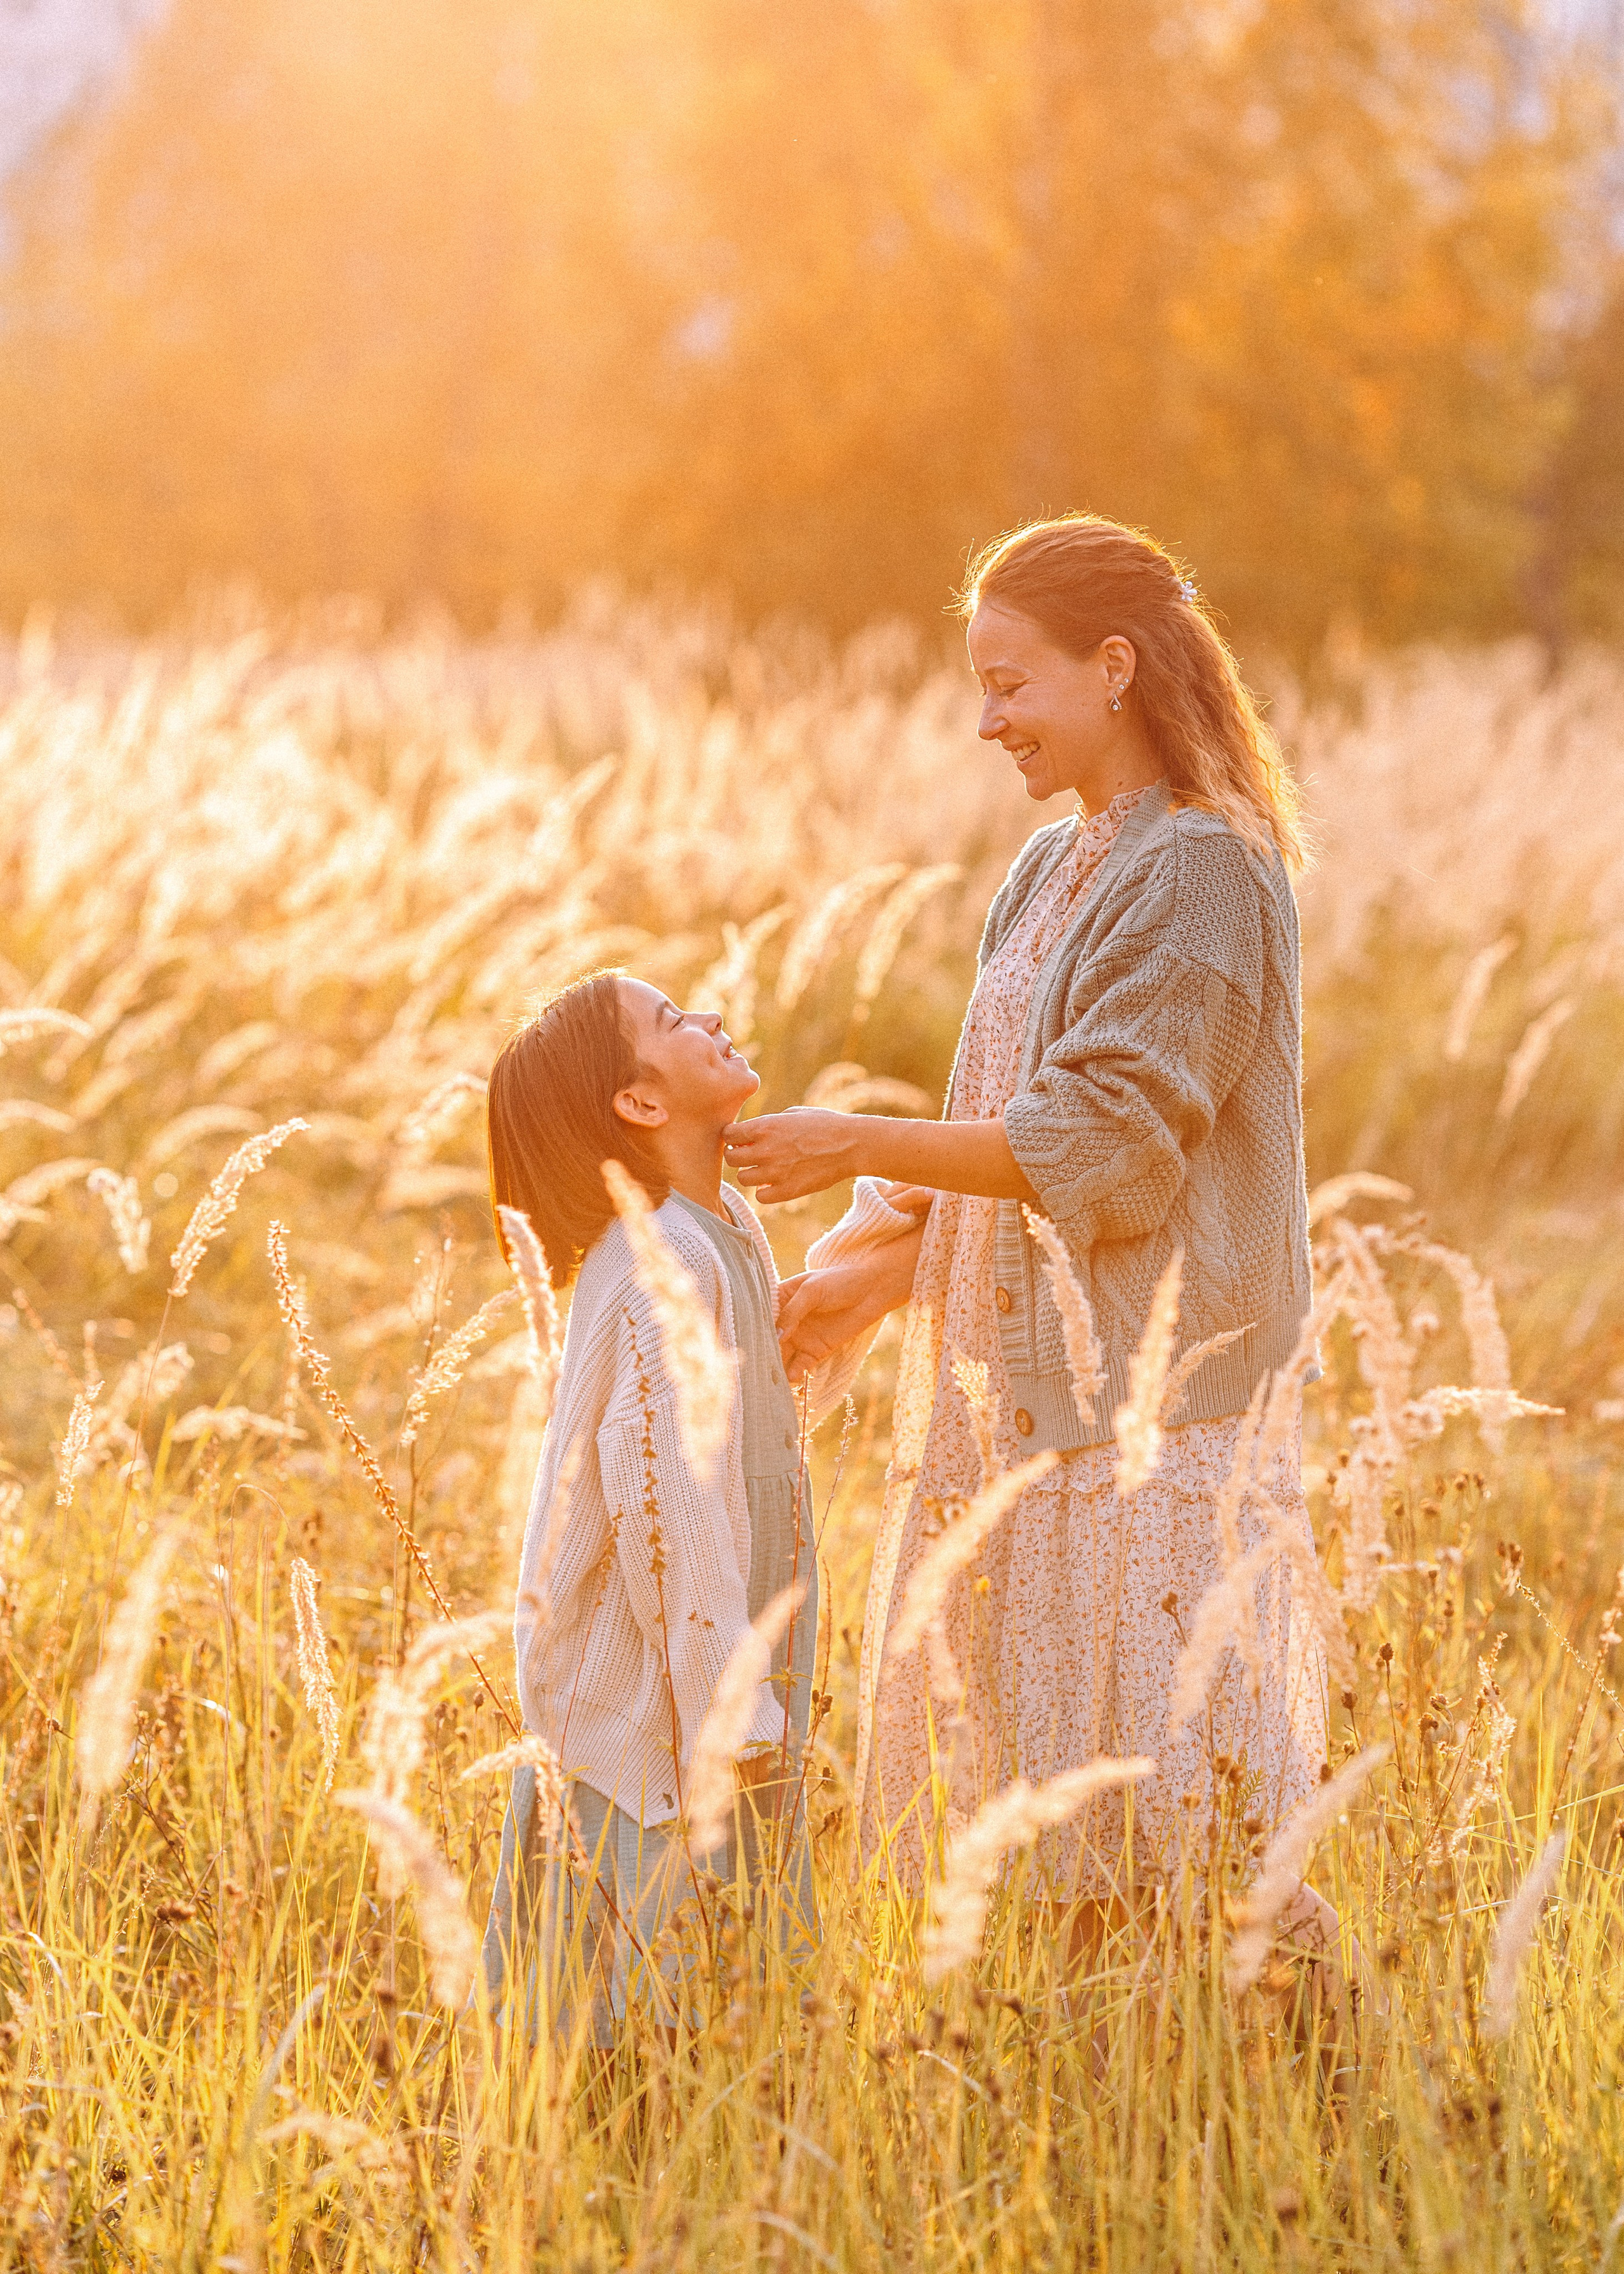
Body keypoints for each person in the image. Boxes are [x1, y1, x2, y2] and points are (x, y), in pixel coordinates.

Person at [723, 514, 1335, 1956]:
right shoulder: (1046, 869)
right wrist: (865, 1279)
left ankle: (1317, 2090)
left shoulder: (1200, 870)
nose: (984, 718)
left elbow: (1102, 1153)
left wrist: (851, 1141)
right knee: (1054, 1824)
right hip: (1023, 1397)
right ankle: (1119, 2100)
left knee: (1188, 1825)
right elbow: (987, 1130)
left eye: (1010, 682)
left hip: (1148, 1408)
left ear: (1110, 666)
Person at [478, 971, 922, 2041]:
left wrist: (885, 1225)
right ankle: (618, 2141)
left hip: (717, 1668)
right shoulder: (660, 1260)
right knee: (636, 1981)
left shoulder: (717, 1235)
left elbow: (758, 1421)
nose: (712, 1018)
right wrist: (729, 1716)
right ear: (639, 1104)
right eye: (675, 1021)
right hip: (657, 1701)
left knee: (723, 1952)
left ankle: (705, 2124)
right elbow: (666, 1503)